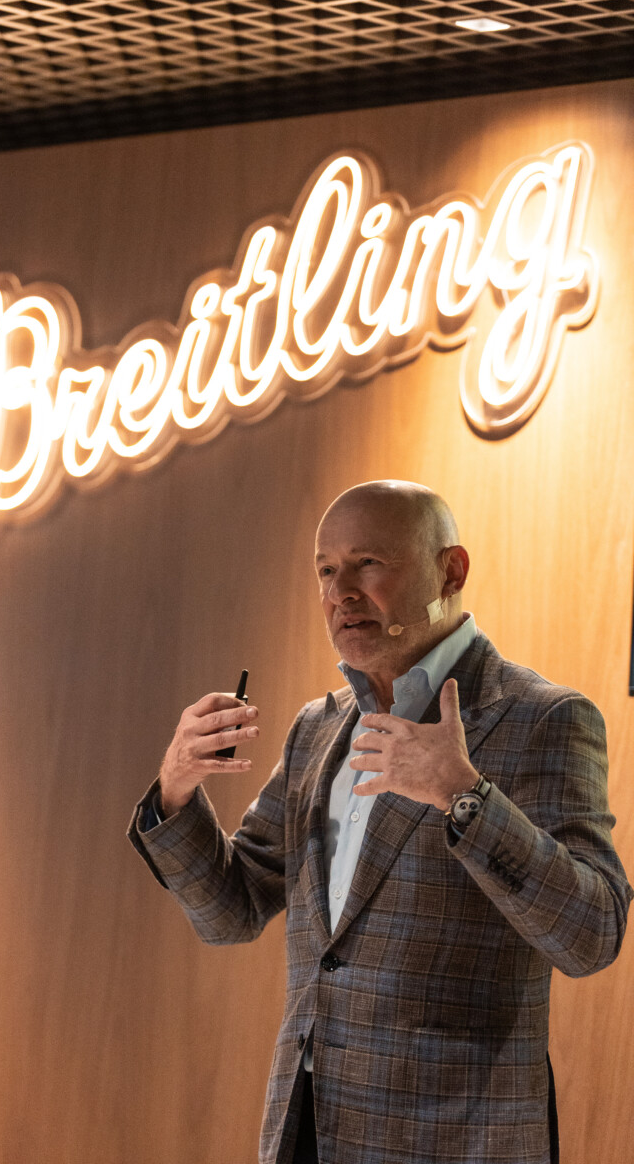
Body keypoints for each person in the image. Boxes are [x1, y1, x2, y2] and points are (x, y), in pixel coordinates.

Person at [127, 480, 631, 1164]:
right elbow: (231, 912)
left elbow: (591, 935)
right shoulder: (317, 729)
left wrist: (464, 795)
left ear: (450, 571)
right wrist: (176, 788)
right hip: (307, 1129)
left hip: (457, 1140)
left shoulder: (543, 717)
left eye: (368, 563)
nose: (341, 593)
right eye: (326, 571)